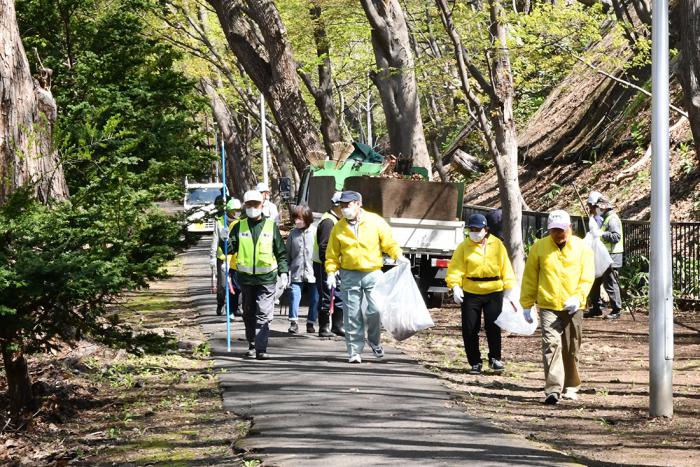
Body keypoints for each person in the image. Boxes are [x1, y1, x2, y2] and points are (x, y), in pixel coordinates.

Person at [325, 191, 409, 363]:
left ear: (358, 204)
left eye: (347, 205)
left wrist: (397, 255)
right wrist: (331, 272)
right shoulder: (338, 227)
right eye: (342, 206)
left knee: (376, 310)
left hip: (373, 272)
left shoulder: (375, 221)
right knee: (352, 314)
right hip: (349, 274)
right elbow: (332, 254)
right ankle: (354, 350)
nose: (344, 209)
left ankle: (374, 341)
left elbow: (388, 242)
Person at [520, 210, 594, 405]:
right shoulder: (539, 247)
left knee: (571, 347)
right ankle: (553, 388)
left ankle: (571, 385)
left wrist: (578, 298)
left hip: (573, 307)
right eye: (554, 230)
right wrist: (527, 304)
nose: (558, 234)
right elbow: (530, 277)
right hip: (548, 304)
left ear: (570, 228)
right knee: (551, 345)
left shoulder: (582, 248)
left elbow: (587, 276)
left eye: (561, 230)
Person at [446, 213, 516, 375]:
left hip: (494, 291)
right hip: (471, 291)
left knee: (493, 326)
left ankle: (495, 358)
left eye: (478, 229)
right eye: (472, 229)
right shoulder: (464, 247)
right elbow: (455, 269)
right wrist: (455, 286)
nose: (475, 232)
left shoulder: (497, 245)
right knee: (470, 328)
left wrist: (509, 288)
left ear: (486, 229)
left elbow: (506, 268)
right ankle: (475, 362)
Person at [222, 190, 288, 360]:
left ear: (261, 205)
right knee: (248, 313)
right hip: (245, 279)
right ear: (245, 206)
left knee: (263, 313)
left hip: (267, 279)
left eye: (255, 204)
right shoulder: (239, 226)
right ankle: (252, 343)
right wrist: (225, 240)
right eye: (249, 204)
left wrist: (284, 272)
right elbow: (230, 249)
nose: (252, 207)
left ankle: (261, 348)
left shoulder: (270, 225)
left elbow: (280, 251)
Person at [584, 195, 624, 320]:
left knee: (610, 283)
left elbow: (616, 237)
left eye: (597, 207)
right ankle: (597, 308)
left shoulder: (612, 219)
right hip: (602, 255)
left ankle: (616, 309)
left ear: (603, 207)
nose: (596, 209)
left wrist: (601, 233)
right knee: (595, 281)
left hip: (612, 256)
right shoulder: (603, 218)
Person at [313, 192, 345, 338]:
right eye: (343, 206)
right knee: (326, 295)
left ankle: (338, 326)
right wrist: (330, 267)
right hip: (323, 265)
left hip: (335, 265)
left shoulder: (338, 220)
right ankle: (324, 327)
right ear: (337, 206)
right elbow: (324, 247)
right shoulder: (328, 222)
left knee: (338, 294)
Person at [286, 205, 319, 334]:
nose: (296, 221)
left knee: (315, 298)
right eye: (295, 219)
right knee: (294, 296)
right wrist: (285, 271)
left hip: (313, 272)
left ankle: (311, 322)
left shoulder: (316, 232)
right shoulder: (293, 234)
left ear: (307, 218)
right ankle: (293, 322)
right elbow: (287, 253)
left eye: (299, 218)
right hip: (296, 271)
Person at [210, 197, 242, 317]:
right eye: (234, 210)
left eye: (238, 210)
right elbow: (215, 240)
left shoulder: (241, 222)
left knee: (237, 285)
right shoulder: (220, 221)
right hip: (222, 258)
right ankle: (220, 303)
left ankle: (236, 306)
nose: (237, 212)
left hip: (236, 258)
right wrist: (212, 258)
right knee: (223, 285)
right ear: (229, 210)